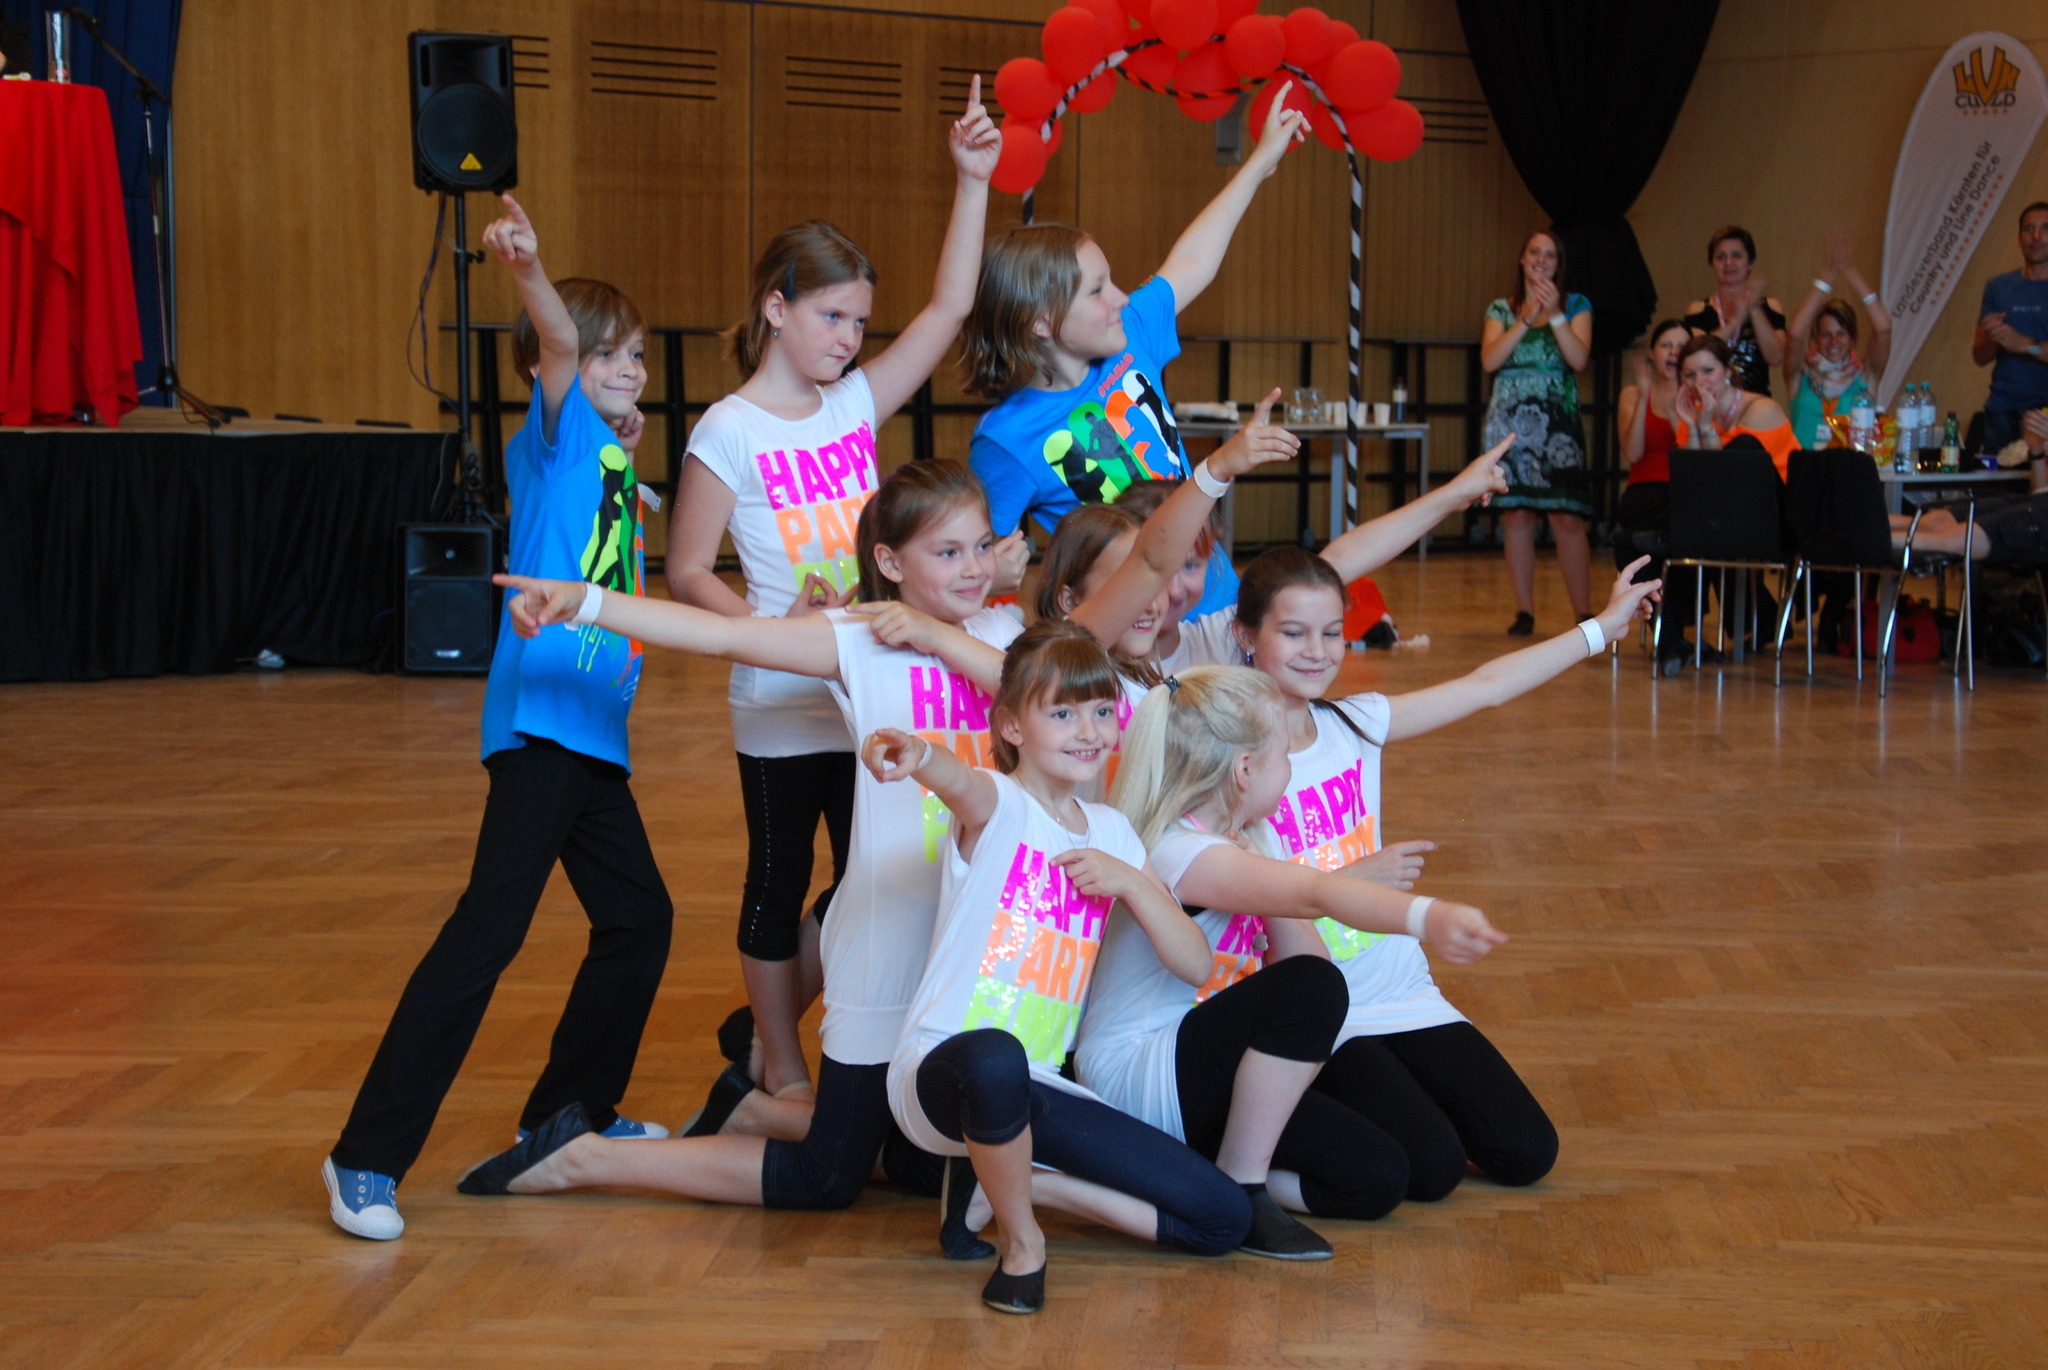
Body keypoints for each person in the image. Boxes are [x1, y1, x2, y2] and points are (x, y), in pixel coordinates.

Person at [456, 460, 1023, 1217]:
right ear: (890, 563)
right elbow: (722, 634)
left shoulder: (1003, 630)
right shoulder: (856, 639)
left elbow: (1029, 688)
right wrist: (587, 601)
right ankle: (579, 1157)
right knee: (829, 1178)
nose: (974, 568)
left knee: (936, 1162)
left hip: (970, 934)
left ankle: (747, 1109)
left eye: (981, 546)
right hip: (884, 941)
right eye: (947, 552)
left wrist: (934, 633)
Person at [321, 197, 672, 1241]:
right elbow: (556, 342)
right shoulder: (556, 437)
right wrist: (528, 271)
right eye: (607, 354)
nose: (626, 368)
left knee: (639, 919)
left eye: (636, 355)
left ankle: (569, 1114)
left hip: (591, 731)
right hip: (541, 727)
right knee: (487, 932)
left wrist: (626, 447)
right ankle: (364, 1155)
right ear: (549, 367)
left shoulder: (600, 451)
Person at [663, 79, 1002, 1105]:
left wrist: (972, 180)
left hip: (874, 691)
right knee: (775, 884)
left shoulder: (851, 406)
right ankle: (778, 1058)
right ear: (776, 307)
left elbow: (947, 310)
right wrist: (770, 632)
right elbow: (686, 569)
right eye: (831, 316)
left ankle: (830, 1035)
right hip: (782, 698)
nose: (850, 338)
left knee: (873, 876)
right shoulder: (728, 429)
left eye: (858, 320)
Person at [1226, 549, 1660, 1198]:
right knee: (1430, 1167)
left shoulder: (1353, 723)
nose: (1316, 652)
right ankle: (1242, 1157)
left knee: (1526, 1150)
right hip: (1319, 1006)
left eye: (1332, 633)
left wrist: (1601, 628)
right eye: (1293, 633)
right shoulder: (1224, 755)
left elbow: (1487, 686)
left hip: (1400, 988)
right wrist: (1357, 879)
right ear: (1245, 635)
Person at [872, 622, 1254, 1314]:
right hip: (940, 1074)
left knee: (1222, 1220)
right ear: (1011, 726)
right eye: (1063, 713)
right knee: (994, 1056)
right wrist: (919, 753)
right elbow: (959, 780)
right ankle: (1025, 1244)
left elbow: (1194, 963)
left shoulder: (1112, 833)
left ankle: (1007, 1185)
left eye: (1103, 711)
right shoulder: (1000, 805)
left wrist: (1132, 881)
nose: (1089, 731)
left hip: (1036, 1087)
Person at [1086, 667, 1510, 1233]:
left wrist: (1267, 868)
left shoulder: (1246, 836)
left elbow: (1312, 957)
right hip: (1143, 1074)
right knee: (1311, 989)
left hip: (1211, 1061)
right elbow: (1317, 899)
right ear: (1244, 770)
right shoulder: (1182, 851)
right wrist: (1427, 916)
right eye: (1285, 754)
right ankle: (1241, 1188)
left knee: (1388, 1175)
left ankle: (1204, 1174)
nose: (1291, 767)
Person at [961, 82, 1311, 620]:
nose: (1120, 298)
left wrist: (1261, 160)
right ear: (1041, 323)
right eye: (1097, 291)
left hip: (1218, 609)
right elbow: (974, 560)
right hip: (1132, 634)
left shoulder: (1129, 335)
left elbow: (1193, 258)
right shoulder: (1005, 440)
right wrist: (994, 576)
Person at [1480, 230, 1595, 635]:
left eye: (1550, 255)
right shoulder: (1501, 308)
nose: (1542, 260)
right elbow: (1490, 359)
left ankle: (1583, 612)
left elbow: (1578, 358)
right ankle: (1524, 610)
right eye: (1535, 252)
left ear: (1559, 264)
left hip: (1557, 423)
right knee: (1517, 514)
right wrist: (1527, 317)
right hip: (1509, 423)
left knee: (1567, 516)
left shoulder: (1576, 305)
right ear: (1522, 258)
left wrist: (1554, 313)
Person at [1617, 320, 1705, 669]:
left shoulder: (1698, 395)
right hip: (1644, 491)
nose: (1673, 353)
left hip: (1684, 490)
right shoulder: (1633, 393)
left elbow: (1694, 456)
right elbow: (1633, 453)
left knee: (1676, 531)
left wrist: (1675, 412)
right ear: (1653, 353)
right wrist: (1644, 395)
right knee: (1657, 525)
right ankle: (1673, 638)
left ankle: (1670, 638)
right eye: (1666, 345)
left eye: (1681, 346)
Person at [1891, 408, 2048, 563]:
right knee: (1939, 520)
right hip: (2038, 499)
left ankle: (1879, 542)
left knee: (1958, 536)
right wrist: (2036, 449)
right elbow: (2040, 491)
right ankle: (1878, 529)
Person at [1782, 231, 1891, 450]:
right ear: (1816, 338)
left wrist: (1850, 272)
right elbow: (1794, 334)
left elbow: (1884, 328)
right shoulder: (1800, 376)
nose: (1833, 341)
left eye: (1841, 334)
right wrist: (1827, 277)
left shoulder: (1865, 378)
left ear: (1851, 339)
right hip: (1805, 467)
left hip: (1848, 468)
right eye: (1826, 334)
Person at [1972, 201, 2048, 453]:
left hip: (2044, 413)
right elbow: (1979, 357)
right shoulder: (1998, 287)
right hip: (2002, 410)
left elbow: (2021, 344)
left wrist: (2025, 345)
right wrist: (1991, 337)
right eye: (2029, 229)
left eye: (2045, 228)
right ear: (2019, 238)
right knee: (1998, 479)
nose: (2036, 236)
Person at [1672, 334, 1797, 478]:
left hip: (1777, 488)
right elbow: (1691, 475)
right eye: (1689, 375)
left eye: (1708, 370)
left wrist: (1706, 427)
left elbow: (1728, 475)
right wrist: (1693, 427)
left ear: (1727, 371)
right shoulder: (1695, 413)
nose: (1698, 382)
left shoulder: (1761, 410)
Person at [1683, 226, 1786, 397]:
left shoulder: (1770, 306)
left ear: (1750, 262)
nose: (1728, 263)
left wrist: (1753, 308)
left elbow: (1776, 358)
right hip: (1711, 402)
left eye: (1736, 256)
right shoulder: (1698, 310)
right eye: (1721, 257)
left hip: (1756, 403)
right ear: (1712, 264)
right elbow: (1698, 357)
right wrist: (1735, 322)